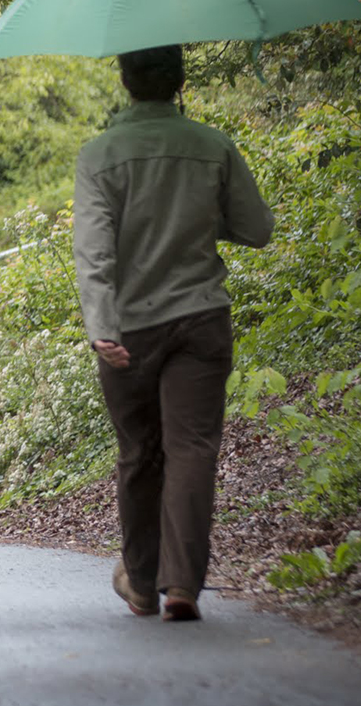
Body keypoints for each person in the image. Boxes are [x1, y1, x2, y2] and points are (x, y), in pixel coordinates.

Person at [74, 44, 275, 622]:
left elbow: (94, 254)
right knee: (192, 450)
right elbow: (256, 229)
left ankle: (140, 583)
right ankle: (182, 584)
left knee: (140, 453)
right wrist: (197, 219)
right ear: (180, 82)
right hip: (200, 318)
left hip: (128, 330)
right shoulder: (212, 146)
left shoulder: (99, 155)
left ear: (125, 80)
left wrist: (101, 329)